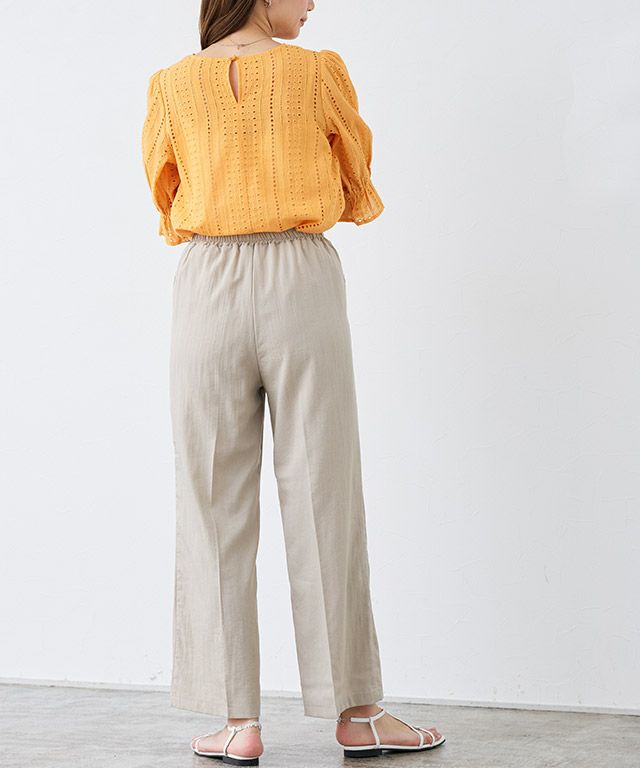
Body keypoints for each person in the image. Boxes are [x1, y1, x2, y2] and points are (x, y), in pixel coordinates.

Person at [141, 0, 445, 763]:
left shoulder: (171, 83)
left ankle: (237, 721)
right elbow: (356, 180)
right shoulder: (316, 73)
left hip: (206, 283)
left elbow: (165, 197)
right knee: (323, 490)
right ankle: (359, 713)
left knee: (211, 497)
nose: (312, 4)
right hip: (300, 279)